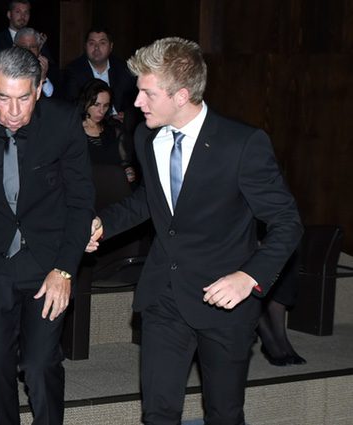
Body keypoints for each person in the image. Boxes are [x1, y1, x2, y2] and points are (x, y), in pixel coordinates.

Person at [86, 37, 303, 424]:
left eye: (148, 94)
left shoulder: (242, 144)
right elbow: (148, 203)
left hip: (224, 300)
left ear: (182, 95)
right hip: (163, 298)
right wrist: (104, 223)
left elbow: (287, 223)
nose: (137, 104)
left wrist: (249, 277)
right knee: (158, 414)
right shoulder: (145, 136)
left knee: (223, 414)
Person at [0, 47, 94, 425]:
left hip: (48, 264)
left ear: (39, 90)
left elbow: (81, 203)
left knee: (41, 365)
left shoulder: (63, 122)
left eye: (24, 98)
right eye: (4, 98)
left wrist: (65, 270)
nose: (13, 111)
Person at [63, 27, 137, 117]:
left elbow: (134, 100)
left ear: (111, 47)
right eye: (91, 43)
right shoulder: (73, 70)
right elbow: (71, 105)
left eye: (102, 43)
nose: (96, 48)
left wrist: (126, 116)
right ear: (85, 46)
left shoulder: (124, 69)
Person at [78, 79, 136, 183]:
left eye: (105, 105)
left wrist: (128, 171)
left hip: (113, 187)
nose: (101, 111)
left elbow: (125, 162)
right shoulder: (74, 132)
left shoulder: (114, 130)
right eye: (96, 104)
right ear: (86, 102)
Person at [14, 27, 59, 99]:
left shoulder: (49, 68)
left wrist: (42, 78)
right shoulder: (5, 68)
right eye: (24, 47)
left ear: (39, 48)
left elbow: (55, 100)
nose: (28, 50)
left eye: (32, 47)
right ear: (15, 47)